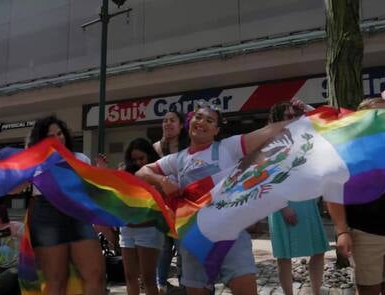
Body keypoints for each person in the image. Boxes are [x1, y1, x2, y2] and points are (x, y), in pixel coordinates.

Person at [137, 101, 291, 295]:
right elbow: (141, 173)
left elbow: (266, 133)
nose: (202, 122)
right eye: (198, 117)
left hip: (231, 234)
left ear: (216, 130)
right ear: (189, 122)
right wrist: (161, 179)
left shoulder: (229, 147)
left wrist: (300, 120)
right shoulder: (177, 159)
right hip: (194, 238)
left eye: (209, 120)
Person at [328, 85, 385, 295]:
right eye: (374, 115)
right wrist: (341, 231)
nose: (381, 119)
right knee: (368, 290)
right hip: (365, 232)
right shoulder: (348, 151)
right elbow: (333, 191)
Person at [26, 115, 105, 295]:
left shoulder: (80, 158)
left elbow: (93, 191)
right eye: (50, 135)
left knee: (95, 274)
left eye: (59, 133)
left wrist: (101, 175)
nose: (57, 138)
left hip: (78, 214)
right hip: (47, 215)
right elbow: (13, 188)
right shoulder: (34, 162)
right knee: (56, 281)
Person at [267, 102, 329, 295]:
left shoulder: (303, 136)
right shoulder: (270, 142)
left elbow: (325, 123)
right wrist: (283, 207)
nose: (292, 118)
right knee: (283, 255)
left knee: (319, 249)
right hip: (281, 201)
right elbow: (268, 178)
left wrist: (307, 108)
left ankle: (316, 292)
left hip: (306, 199)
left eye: (294, 115)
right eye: (287, 115)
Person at [119, 138, 164, 295]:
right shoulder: (125, 173)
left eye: (141, 158)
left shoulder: (157, 173)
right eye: (134, 159)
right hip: (127, 229)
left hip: (149, 229)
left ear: (150, 156)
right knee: (130, 276)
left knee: (148, 278)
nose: (137, 162)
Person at [153, 111, 189, 294]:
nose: (167, 123)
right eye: (165, 120)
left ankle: (185, 283)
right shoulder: (155, 149)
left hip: (184, 207)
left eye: (172, 120)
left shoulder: (190, 148)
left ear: (181, 125)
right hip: (161, 206)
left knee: (182, 248)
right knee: (163, 247)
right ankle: (161, 284)